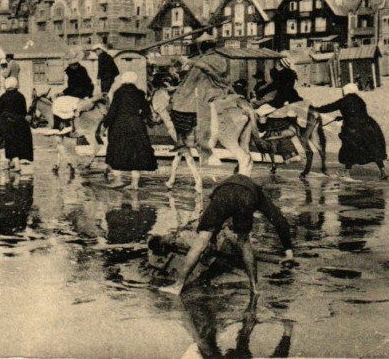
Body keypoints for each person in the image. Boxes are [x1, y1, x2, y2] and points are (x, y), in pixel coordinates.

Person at [159, 174, 296, 296]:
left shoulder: (222, 187)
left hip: (223, 195)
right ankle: (255, 288)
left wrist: (211, 240)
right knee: (244, 241)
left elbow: (212, 222)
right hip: (246, 197)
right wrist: (288, 252)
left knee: (202, 239)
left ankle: (178, 286)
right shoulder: (257, 192)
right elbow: (279, 221)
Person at [316, 82, 388, 179]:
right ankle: (383, 170)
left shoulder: (345, 100)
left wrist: (315, 109)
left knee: (348, 148)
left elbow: (330, 107)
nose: (342, 92)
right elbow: (357, 112)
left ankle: (347, 171)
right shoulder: (359, 99)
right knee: (372, 148)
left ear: (346, 91)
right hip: (368, 125)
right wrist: (343, 116)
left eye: (343, 91)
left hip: (353, 127)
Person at [169, 38, 229, 153]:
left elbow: (190, 82)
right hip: (220, 91)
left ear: (202, 49)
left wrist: (178, 91)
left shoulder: (201, 62)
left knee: (177, 106)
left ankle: (181, 141)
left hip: (204, 93)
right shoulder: (222, 60)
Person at [103, 72, 157, 189]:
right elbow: (146, 111)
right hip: (136, 124)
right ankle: (134, 183)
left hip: (120, 124)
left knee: (117, 150)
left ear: (123, 80)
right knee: (136, 152)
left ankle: (118, 180)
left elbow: (112, 111)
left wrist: (105, 124)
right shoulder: (139, 93)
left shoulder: (119, 93)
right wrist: (137, 118)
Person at [0, 76, 33, 171]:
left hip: (6, 121)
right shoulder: (20, 96)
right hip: (19, 122)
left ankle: (16, 164)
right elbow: (23, 111)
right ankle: (10, 163)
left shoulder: (4, 97)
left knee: (9, 142)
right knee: (16, 141)